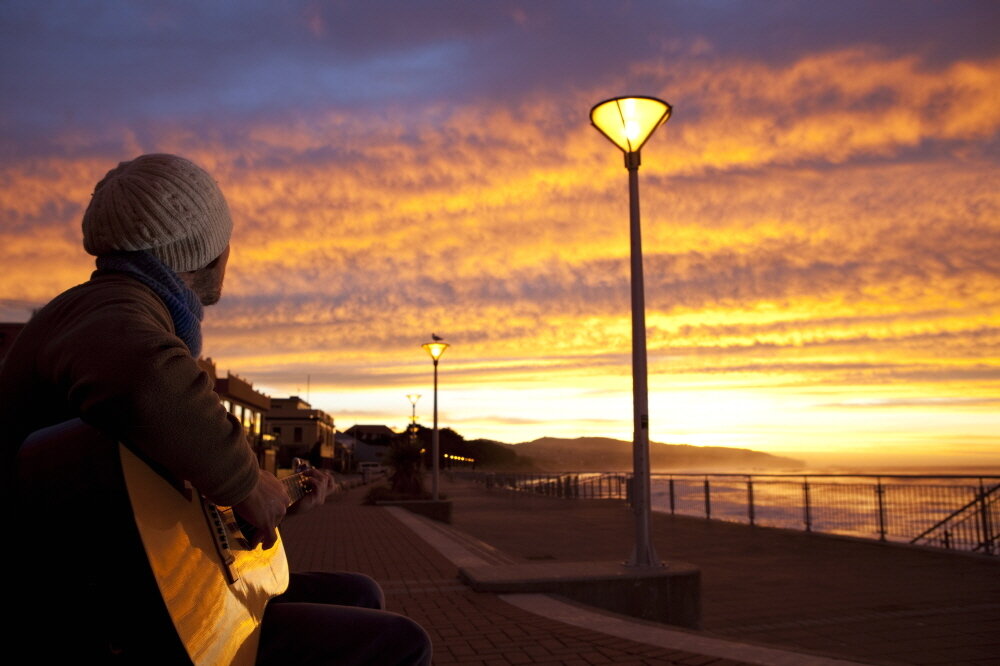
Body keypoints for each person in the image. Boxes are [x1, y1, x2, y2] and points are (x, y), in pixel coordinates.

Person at [1, 153, 432, 665]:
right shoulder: (110, 308)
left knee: (357, 593)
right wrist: (248, 482)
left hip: (126, 582)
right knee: (399, 645)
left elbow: (164, 511)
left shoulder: (121, 312)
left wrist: (273, 500)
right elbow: (142, 379)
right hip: (94, 617)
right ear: (205, 251)